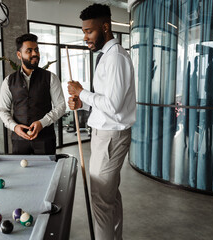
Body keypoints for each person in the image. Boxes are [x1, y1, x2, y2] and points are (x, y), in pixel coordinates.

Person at [67, 4, 136, 240]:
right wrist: (83, 103)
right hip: (105, 135)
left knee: (101, 204)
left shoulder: (115, 58)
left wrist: (82, 92)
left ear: (105, 27)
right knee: (110, 197)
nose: (85, 37)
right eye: (84, 31)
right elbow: (107, 103)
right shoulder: (107, 56)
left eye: (89, 31)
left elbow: (114, 106)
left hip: (110, 139)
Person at [0, 33, 65, 154]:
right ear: (19, 54)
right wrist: (14, 127)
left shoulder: (50, 78)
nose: (35, 54)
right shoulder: (9, 81)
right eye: (29, 50)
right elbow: (3, 109)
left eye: (36, 50)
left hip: (45, 139)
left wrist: (42, 123)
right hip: (19, 140)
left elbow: (61, 106)